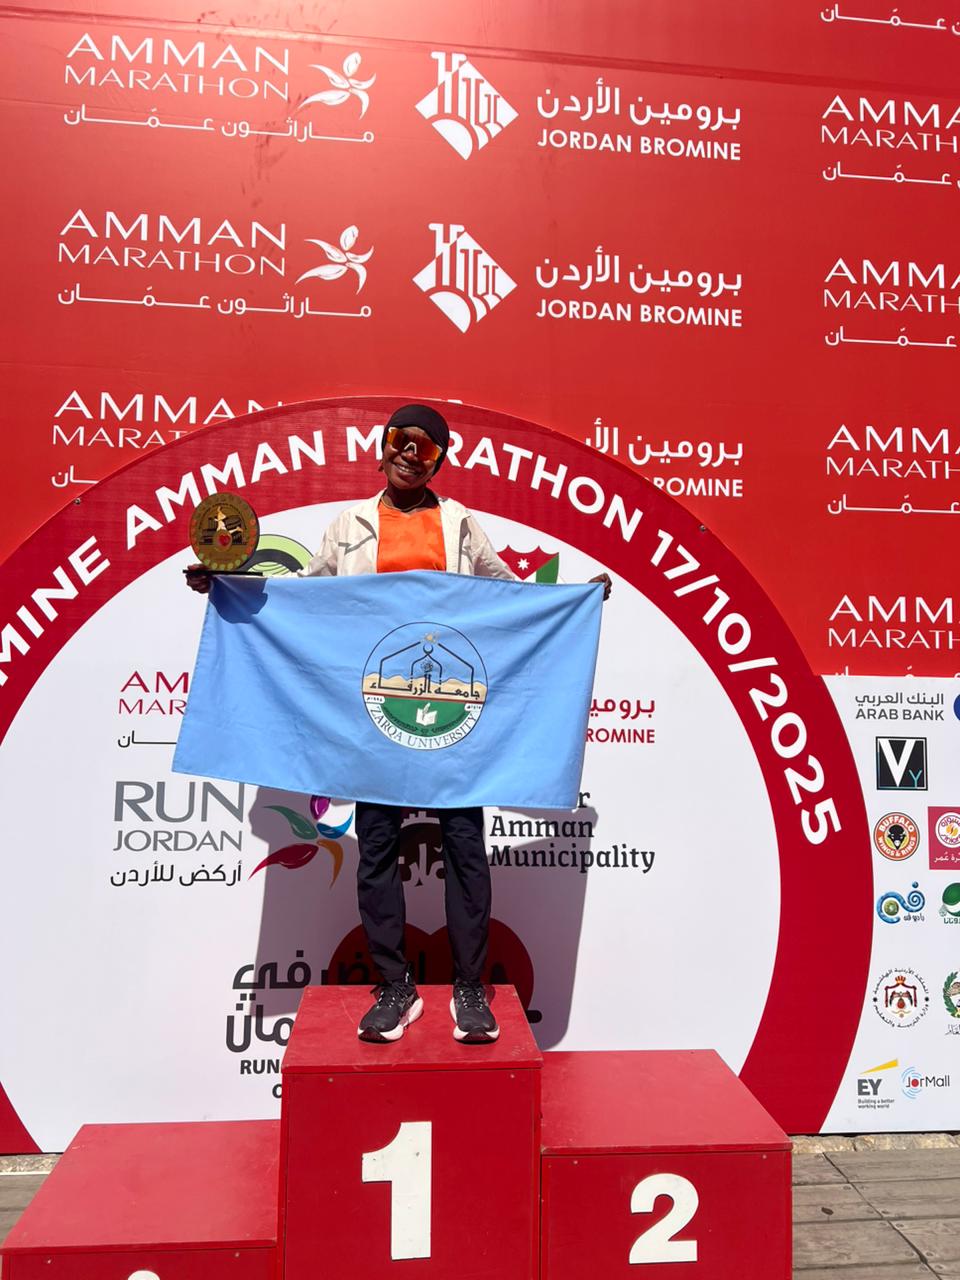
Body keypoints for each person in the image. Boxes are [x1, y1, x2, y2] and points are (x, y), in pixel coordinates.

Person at [187, 404, 610, 1045]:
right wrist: (230, 584)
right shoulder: (348, 524)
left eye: (426, 449)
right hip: (374, 718)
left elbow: (506, 596)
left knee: (465, 849)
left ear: (439, 463)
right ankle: (394, 987)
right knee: (378, 847)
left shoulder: (459, 523)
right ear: (382, 447)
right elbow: (305, 597)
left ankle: (470, 988)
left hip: (453, 724)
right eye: (401, 441)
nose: (411, 455)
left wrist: (573, 601)